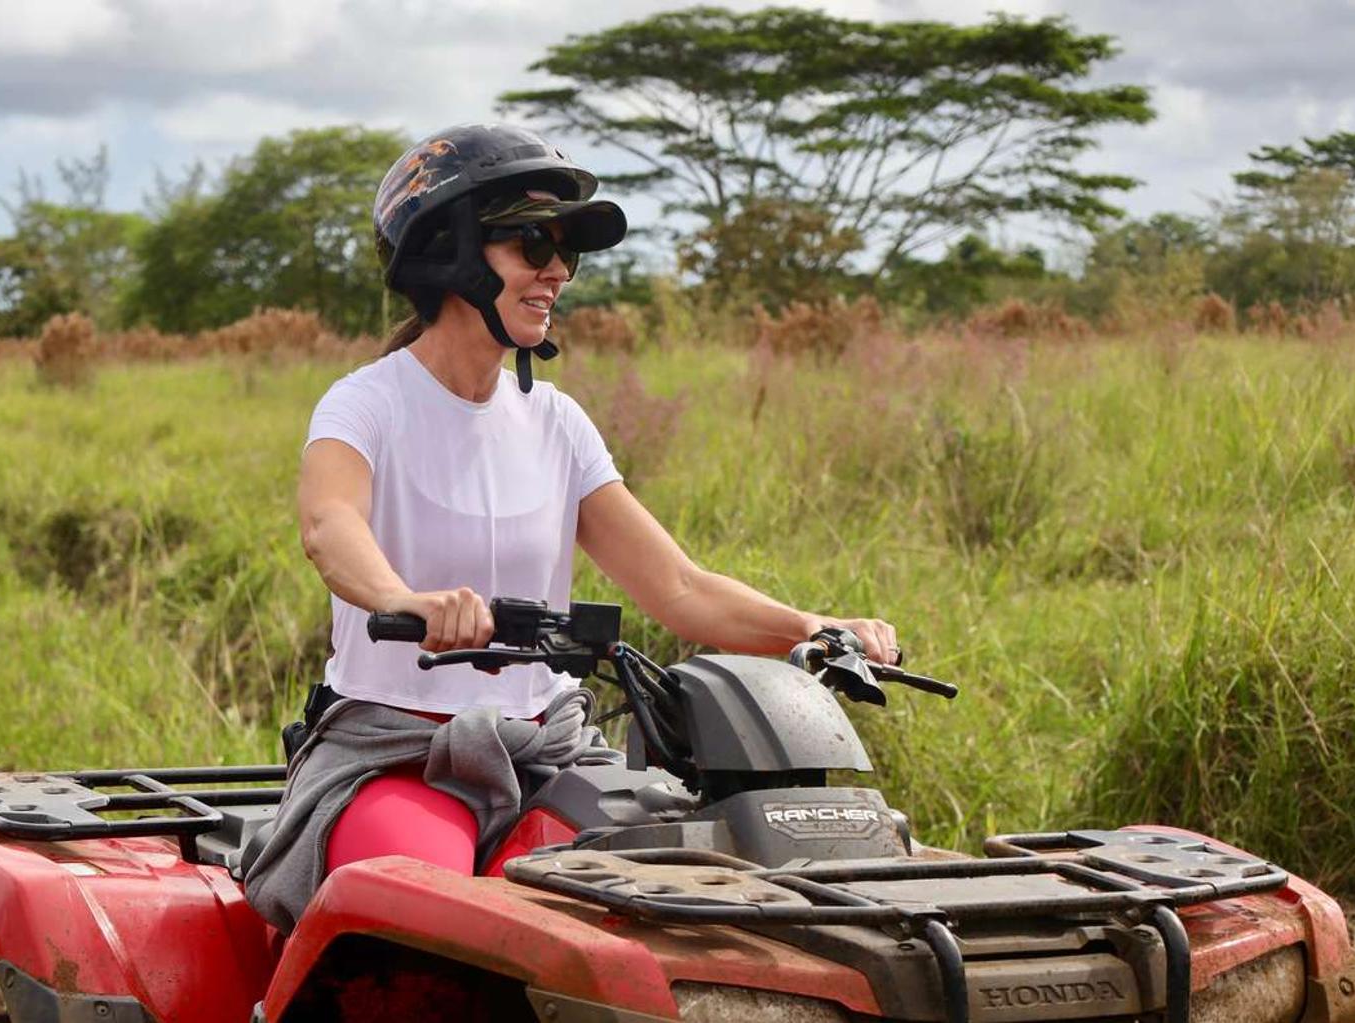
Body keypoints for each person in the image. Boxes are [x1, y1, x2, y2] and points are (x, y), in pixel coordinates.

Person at [239, 124, 900, 932]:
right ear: (449, 251)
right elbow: (328, 522)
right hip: (401, 756)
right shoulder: (366, 402)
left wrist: (816, 626)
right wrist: (403, 598)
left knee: (694, 892)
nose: (555, 270)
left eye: (566, 250)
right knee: (432, 928)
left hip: (548, 748)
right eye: (530, 242)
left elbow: (681, 587)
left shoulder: (556, 421)